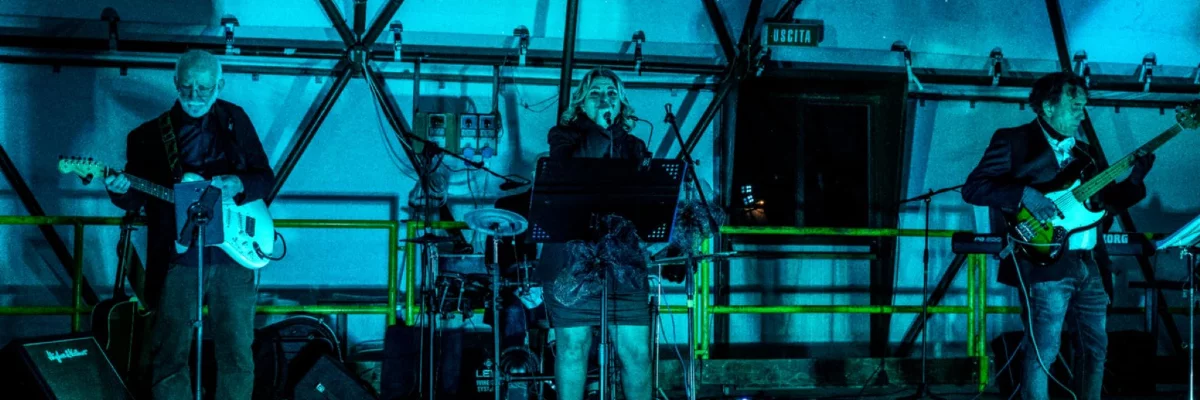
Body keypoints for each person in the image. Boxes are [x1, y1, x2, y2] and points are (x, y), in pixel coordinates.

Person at [962, 71, 1154, 400]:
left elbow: (1107, 202)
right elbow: (974, 188)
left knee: (1095, 349)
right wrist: (1025, 194)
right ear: (1048, 106)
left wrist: (1135, 180)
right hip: (1044, 262)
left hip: (1090, 262)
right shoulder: (1014, 141)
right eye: (1075, 105)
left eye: (1084, 105)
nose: (1082, 112)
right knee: (1044, 349)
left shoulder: (1086, 153)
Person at [104, 49, 275, 399]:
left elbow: (264, 178)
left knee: (237, 351)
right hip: (178, 255)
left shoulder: (235, 120)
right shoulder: (146, 136)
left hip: (232, 254)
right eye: (186, 86)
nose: (194, 95)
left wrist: (239, 183)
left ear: (219, 86)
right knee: (169, 352)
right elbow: (136, 198)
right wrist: (119, 190)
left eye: (204, 88)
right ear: (175, 83)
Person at [540, 67, 653, 400]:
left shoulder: (634, 146)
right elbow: (573, 170)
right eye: (596, 93)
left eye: (612, 94)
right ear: (581, 103)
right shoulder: (562, 137)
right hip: (571, 264)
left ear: (621, 104)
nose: (605, 99)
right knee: (572, 348)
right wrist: (602, 130)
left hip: (622, 266)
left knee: (636, 353)